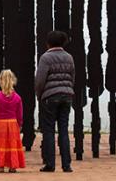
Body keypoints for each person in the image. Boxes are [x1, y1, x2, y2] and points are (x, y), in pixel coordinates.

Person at [34, 30, 76, 173]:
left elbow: (40, 80)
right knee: (63, 130)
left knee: (49, 130)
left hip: (50, 97)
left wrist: (40, 96)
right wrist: (68, 90)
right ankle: (67, 165)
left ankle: (50, 164)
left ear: (48, 43)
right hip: (66, 95)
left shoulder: (45, 58)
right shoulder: (69, 57)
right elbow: (72, 76)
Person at [0, 69, 26, 173]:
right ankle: (13, 166)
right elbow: (20, 114)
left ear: (0, 81)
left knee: (1, 145)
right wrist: (20, 124)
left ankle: (1, 166)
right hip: (13, 123)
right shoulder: (17, 98)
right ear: (13, 81)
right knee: (12, 144)